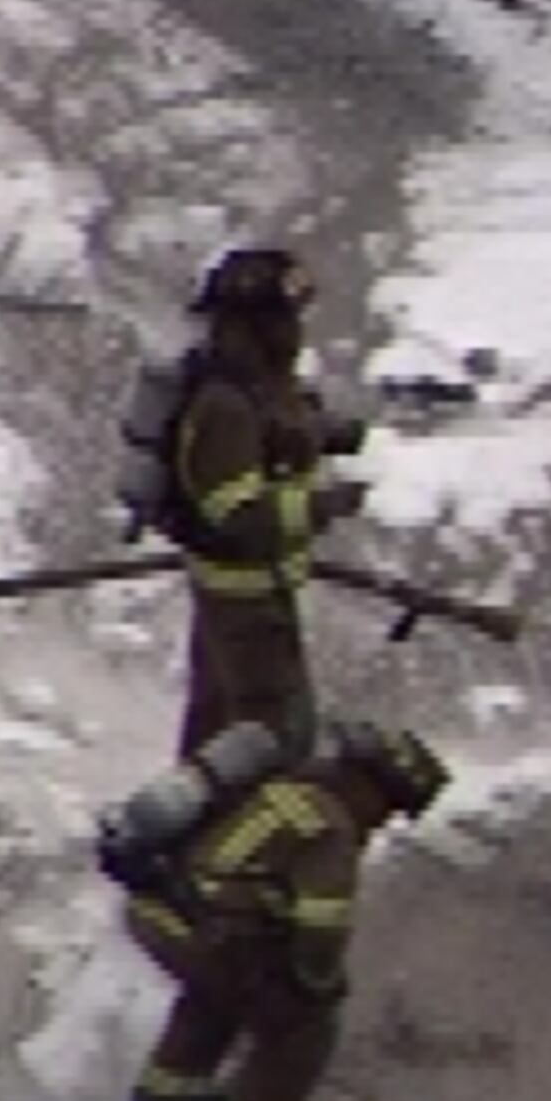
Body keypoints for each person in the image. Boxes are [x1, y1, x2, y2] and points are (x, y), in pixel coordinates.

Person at [124, 718, 450, 1101]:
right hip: (205, 933)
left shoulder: (286, 785)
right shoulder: (330, 828)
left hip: (160, 909)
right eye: (390, 805)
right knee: (299, 1026)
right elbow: (323, 925)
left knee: (218, 993)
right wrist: (318, 983)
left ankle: (170, 1089)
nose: (382, 820)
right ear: (370, 784)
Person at [169, 247, 364, 761]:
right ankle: (239, 836)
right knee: (270, 744)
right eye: (288, 318)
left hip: (252, 598)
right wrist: (328, 505)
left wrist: (343, 437)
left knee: (217, 731)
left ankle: (197, 833)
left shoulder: (257, 389)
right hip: (245, 608)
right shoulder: (225, 407)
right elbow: (240, 519)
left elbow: (283, 436)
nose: (297, 332)